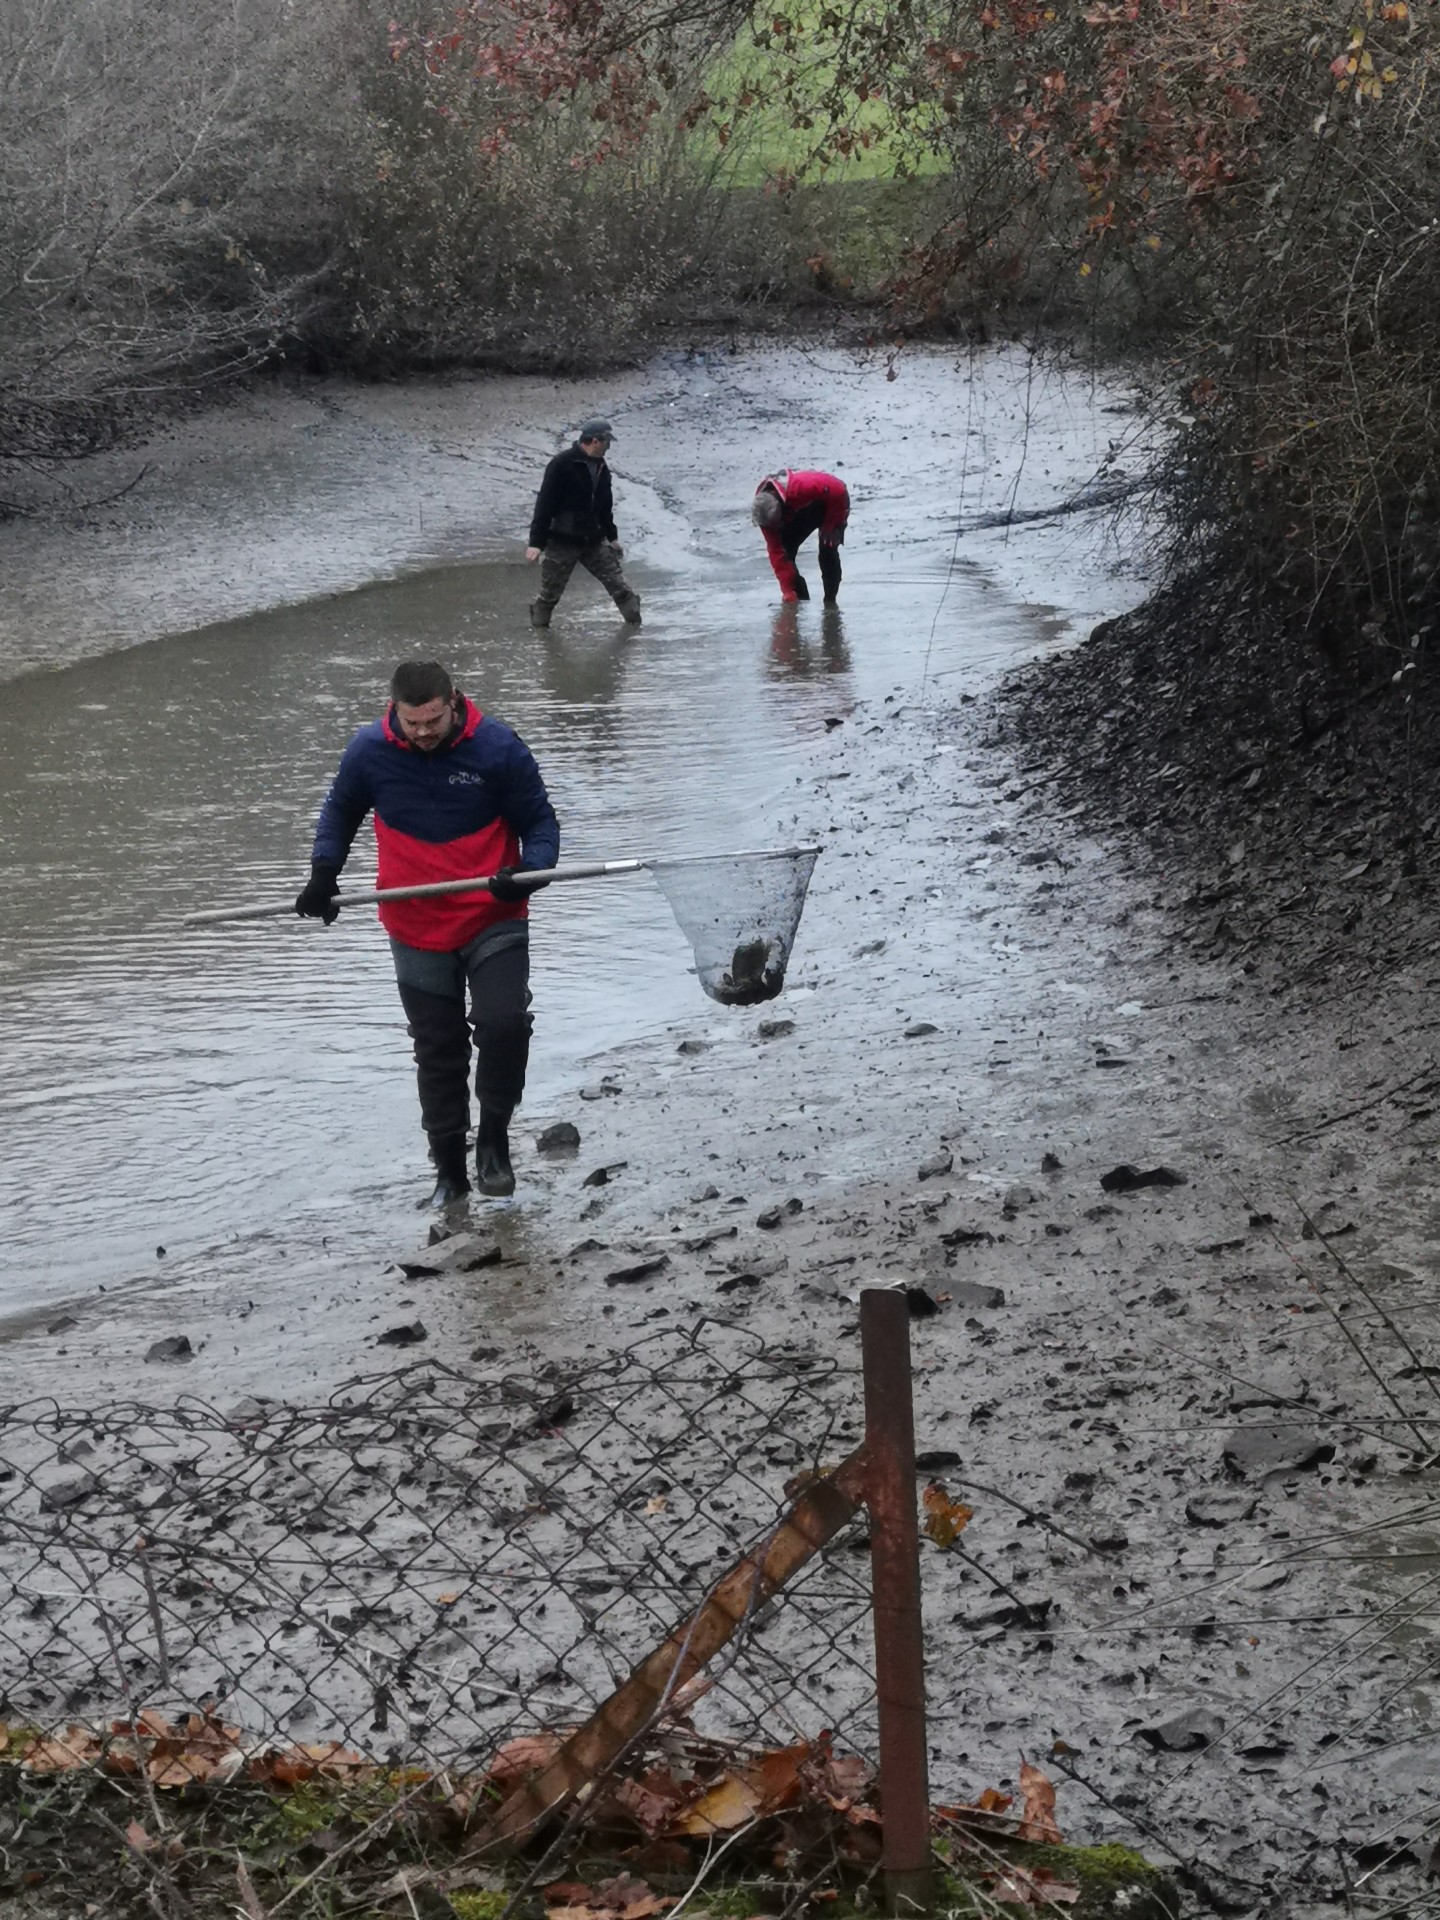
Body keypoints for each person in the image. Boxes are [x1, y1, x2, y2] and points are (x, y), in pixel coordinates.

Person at [295, 661, 560, 1207]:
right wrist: (324, 872)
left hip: (494, 915)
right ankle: (449, 1173)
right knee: (438, 1049)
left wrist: (529, 873)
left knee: (504, 1024)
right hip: (413, 922)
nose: (422, 734)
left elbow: (541, 823)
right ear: (395, 710)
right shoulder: (369, 750)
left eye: (433, 722)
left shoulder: (498, 747)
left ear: (453, 702)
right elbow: (339, 811)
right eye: (412, 724)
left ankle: (493, 1139)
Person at [526, 419, 641, 629]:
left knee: (619, 587)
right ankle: (540, 629)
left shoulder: (601, 467)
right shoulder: (561, 464)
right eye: (607, 442)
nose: (609, 447)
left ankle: (635, 625)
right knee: (550, 593)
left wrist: (612, 537)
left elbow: (605, 505)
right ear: (595, 441)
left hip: (594, 541)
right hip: (562, 541)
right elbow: (544, 504)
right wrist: (536, 543)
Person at [752, 469, 850, 604]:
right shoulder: (765, 518)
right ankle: (800, 603)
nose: (775, 528)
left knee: (828, 546)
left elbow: (839, 490)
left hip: (830, 502)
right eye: (773, 525)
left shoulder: (802, 487)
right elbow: (776, 552)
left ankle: (830, 602)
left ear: (779, 508)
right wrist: (787, 591)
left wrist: (830, 524)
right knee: (786, 555)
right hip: (795, 513)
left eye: (776, 523)